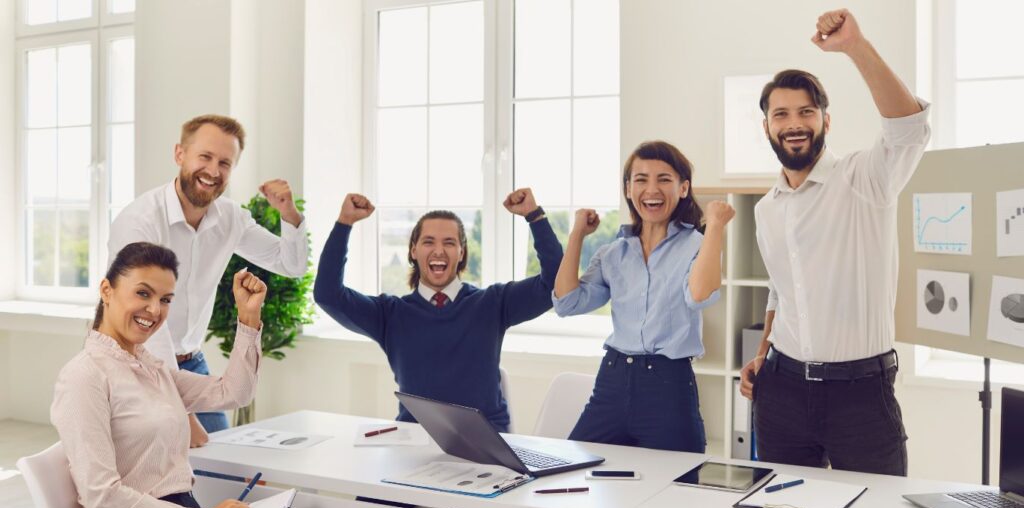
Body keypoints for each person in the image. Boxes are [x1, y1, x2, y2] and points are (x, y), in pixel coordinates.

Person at [50, 242, 357, 508]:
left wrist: (248, 319)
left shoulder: (151, 369)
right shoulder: (85, 376)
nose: (154, 310)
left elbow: (234, 392)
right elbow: (103, 499)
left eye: (164, 299)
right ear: (107, 290)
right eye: (142, 293)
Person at [738, 9, 930, 508]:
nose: (793, 124)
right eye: (780, 114)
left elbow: (909, 126)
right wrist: (764, 352)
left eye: (805, 111)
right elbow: (781, 289)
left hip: (861, 395)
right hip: (784, 391)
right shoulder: (767, 209)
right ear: (765, 125)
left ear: (825, 119)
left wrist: (856, 47)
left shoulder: (863, 181)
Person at [109, 114, 310, 437]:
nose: (214, 171)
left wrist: (289, 212)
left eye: (225, 163)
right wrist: (177, 408)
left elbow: (290, 264)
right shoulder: (140, 223)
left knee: (223, 464)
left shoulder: (230, 218)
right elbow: (143, 315)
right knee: (165, 472)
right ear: (180, 154)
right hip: (138, 368)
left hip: (192, 363)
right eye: (205, 156)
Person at [314, 189, 562, 432]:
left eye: (449, 243)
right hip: (413, 441)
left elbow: (555, 283)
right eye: (428, 242)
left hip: (486, 444)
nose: (439, 250)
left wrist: (534, 216)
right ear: (414, 251)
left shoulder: (493, 303)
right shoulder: (389, 314)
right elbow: (328, 294)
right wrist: (344, 223)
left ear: (461, 252)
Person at [553, 140, 734, 452]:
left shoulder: (697, 245)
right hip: (611, 381)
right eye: (641, 180)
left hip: (668, 387)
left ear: (683, 188)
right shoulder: (613, 253)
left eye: (664, 179)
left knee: (678, 487)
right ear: (628, 189)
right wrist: (577, 235)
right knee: (573, 470)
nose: (652, 189)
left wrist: (715, 226)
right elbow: (567, 303)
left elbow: (700, 295)